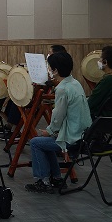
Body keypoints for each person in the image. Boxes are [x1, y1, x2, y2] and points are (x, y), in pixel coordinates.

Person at [25, 52, 92, 194]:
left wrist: (49, 131)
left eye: (50, 67)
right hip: (84, 134)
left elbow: (58, 117)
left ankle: (43, 181)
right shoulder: (75, 83)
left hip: (72, 138)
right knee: (45, 142)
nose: (48, 70)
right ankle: (56, 178)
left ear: (55, 70)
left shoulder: (62, 89)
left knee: (36, 142)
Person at [87, 46, 112, 118]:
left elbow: (90, 104)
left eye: (100, 58)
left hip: (101, 118)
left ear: (105, 62)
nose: (99, 61)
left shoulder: (108, 80)